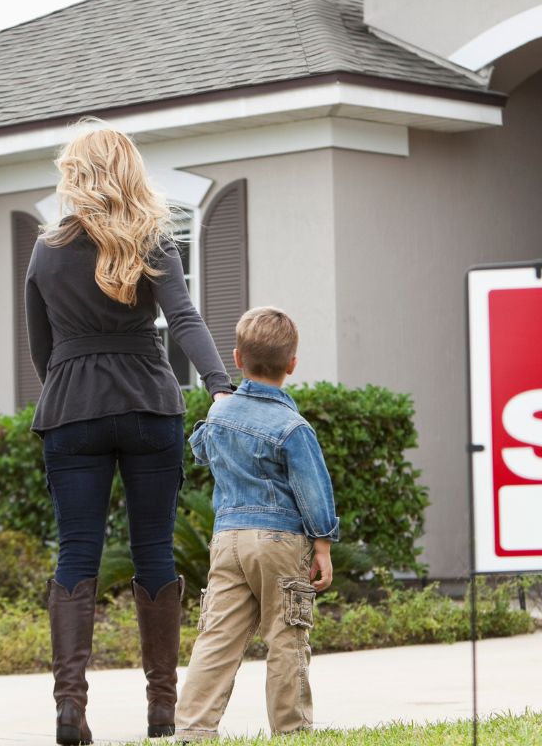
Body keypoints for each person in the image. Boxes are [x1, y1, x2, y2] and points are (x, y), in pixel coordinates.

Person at [25, 124, 234, 743]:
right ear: (130, 171)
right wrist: (219, 384)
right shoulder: (153, 240)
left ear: (75, 176)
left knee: (76, 552)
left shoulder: (46, 250)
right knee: (155, 550)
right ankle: (163, 712)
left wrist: (71, 384)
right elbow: (185, 319)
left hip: (72, 409)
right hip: (149, 402)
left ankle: (70, 711)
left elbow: (42, 349)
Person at [174, 307, 339, 741]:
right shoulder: (293, 427)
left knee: (217, 635)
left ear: (237, 359)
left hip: (228, 540)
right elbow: (313, 492)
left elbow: (202, 451)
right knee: (286, 635)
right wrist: (322, 546)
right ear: (292, 365)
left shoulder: (220, 415)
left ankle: (192, 727)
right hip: (280, 541)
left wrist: (218, 408)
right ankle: (292, 731)